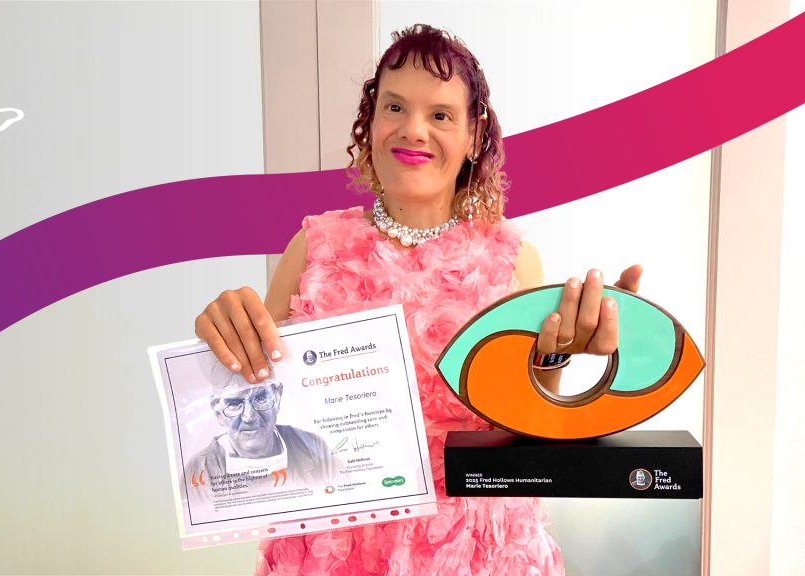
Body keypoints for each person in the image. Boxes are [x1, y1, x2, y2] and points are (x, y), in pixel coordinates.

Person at [195, 24, 641, 575]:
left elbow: (526, 421)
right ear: (371, 121)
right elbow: (258, 398)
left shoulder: (512, 257)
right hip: (338, 550)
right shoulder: (313, 248)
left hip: (474, 546)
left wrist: (562, 353)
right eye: (395, 107)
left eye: (440, 115)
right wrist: (224, 336)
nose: (413, 130)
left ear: (474, 136)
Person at [185, 357, 337, 501]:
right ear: (218, 413)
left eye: (261, 398)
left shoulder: (313, 447)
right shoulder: (202, 469)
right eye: (234, 404)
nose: (249, 416)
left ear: (277, 398)